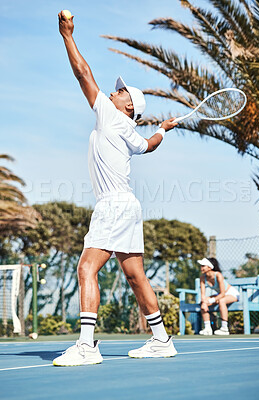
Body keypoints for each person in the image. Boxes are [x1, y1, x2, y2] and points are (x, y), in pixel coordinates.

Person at [53, 11, 178, 366]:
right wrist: (164, 129)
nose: (115, 90)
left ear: (128, 107)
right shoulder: (132, 134)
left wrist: (67, 35)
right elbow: (150, 145)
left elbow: (83, 73)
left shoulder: (111, 115)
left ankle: (88, 345)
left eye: (122, 91)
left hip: (113, 204)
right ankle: (160, 339)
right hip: (128, 205)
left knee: (86, 269)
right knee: (136, 276)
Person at [198, 257, 240, 335]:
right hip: (220, 295)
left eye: (203, 266)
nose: (201, 267)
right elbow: (203, 295)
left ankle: (224, 328)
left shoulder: (218, 275)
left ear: (209, 267)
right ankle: (207, 328)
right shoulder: (202, 278)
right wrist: (204, 302)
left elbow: (222, 294)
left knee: (221, 300)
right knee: (203, 303)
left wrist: (210, 301)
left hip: (232, 294)